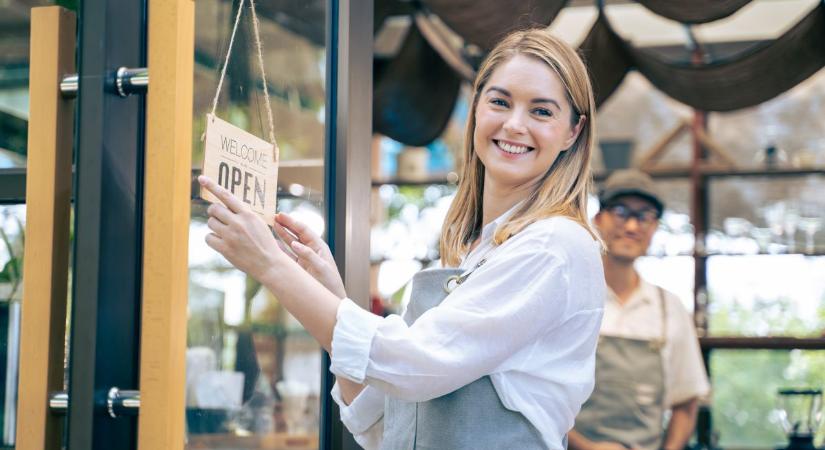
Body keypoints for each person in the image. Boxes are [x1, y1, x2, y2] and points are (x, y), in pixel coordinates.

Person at [199, 28, 605, 450]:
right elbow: (380, 419)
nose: (514, 124)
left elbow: (413, 366)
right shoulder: (475, 251)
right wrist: (327, 290)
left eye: (541, 111)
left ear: (573, 132)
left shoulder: (554, 246)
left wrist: (273, 266)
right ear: (477, 109)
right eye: (500, 102)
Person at [568, 169, 710, 450]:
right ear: (598, 220)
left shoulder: (669, 309)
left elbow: (686, 402)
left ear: (654, 228)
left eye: (645, 216)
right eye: (621, 212)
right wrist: (585, 447)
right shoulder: (569, 298)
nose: (632, 226)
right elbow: (535, 396)